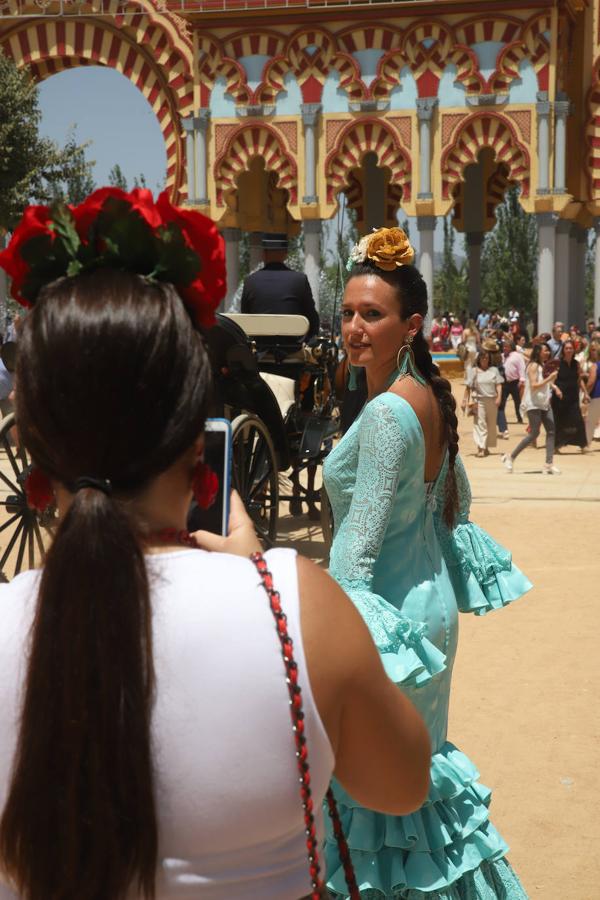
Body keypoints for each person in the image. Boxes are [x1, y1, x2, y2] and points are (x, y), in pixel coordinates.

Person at [0, 192, 432, 900]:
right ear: (192, 434)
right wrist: (261, 584)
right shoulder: (298, 610)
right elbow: (404, 782)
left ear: (31, 442)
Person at [323, 226, 530, 900]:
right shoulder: (426, 398)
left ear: (410, 325)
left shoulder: (387, 411)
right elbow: (457, 504)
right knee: (418, 778)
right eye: (349, 312)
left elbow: (354, 559)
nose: (355, 328)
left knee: (375, 796)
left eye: (372, 315)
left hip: (388, 623)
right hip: (424, 607)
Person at [240, 232, 320, 339]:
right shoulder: (300, 280)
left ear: (263, 253)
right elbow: (313, 320)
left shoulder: (250, 281)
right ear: (286, 253)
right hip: (292, 349)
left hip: (260, 349)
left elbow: (246, 317)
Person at [502, 341, 561, 474]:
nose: (548, 352)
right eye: (545, 350)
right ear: (538, 352)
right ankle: (510, 457)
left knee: (551, 431)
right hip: (533, 404)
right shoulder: (533, 366)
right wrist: (550, 378)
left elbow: (545, 382)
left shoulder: (542, 366)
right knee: (534, 433)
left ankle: (548, 463)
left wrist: (555, 387)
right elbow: (534, 385)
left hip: (544, 403)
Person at [463, 349, 504, 456]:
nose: (484, 360)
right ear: (479, 359)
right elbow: (468, 387)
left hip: (492, 400)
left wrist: (499, 397)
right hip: (478, 401)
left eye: (486, 358)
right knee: (480, 424)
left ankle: (485, 447)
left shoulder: (494, 370)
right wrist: (464, 400)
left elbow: (499, 385)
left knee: (490, 425)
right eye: (482, 357)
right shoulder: (474, 371)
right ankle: (481, 448)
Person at [552, 339, 587, 452]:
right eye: (566, 348)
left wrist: (585, 393)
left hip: (573, 396)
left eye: (570, 348)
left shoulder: (576, 364)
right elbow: (550, 379)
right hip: (560, 397)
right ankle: (557, 445)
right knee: (560, 421)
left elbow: (579, 379)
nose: (568, 350)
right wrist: (556, 389)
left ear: (573, 350)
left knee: (577, 419)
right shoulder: (557, 363)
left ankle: (582, 444)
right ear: (563, 350)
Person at [497, 338, 525, 438]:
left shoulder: (517, 356)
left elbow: (522, 368)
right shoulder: (501, 356)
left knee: (517, 401)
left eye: (507, 346)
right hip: (504, 383)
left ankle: (520, 417)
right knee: (501, 403)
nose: (504, 348)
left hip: (515, 383)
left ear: (511, 347)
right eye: (504, 346)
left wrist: (522, 380)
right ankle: (501, 420)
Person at [585, 340, 600, 445]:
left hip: (597, 395)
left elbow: (591, 382)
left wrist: (586, 393)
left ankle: (586, 442)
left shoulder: (595, 366)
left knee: (591, 420)